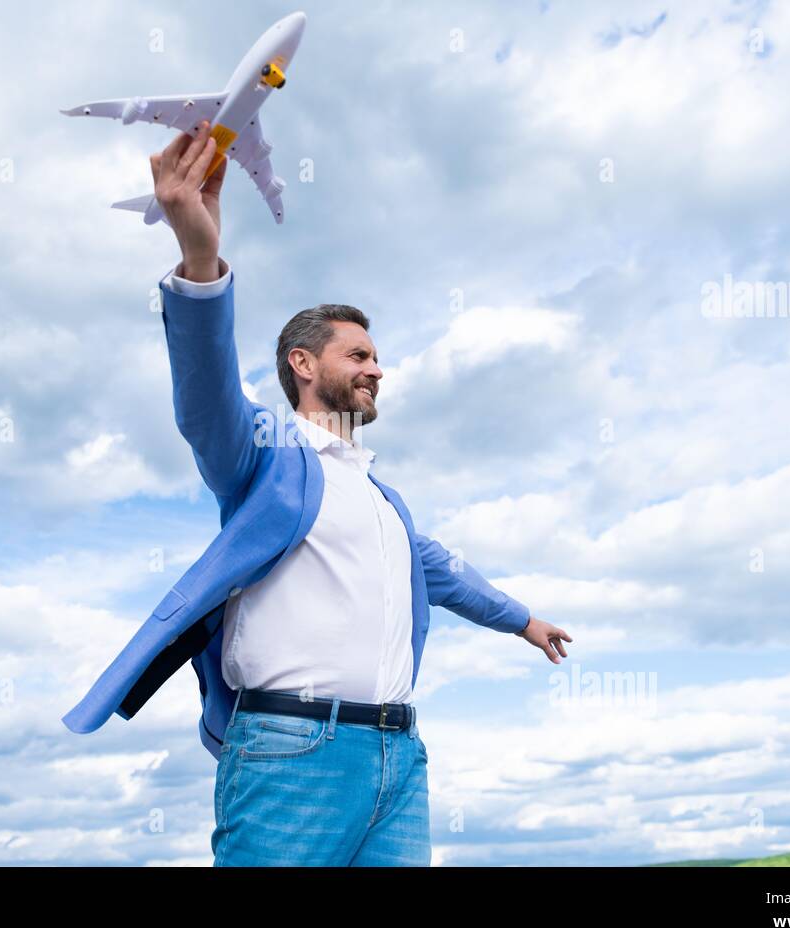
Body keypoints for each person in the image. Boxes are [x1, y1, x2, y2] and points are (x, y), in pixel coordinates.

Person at [61, 120, 574, 866]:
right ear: (304, 363)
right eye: (359, 354)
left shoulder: (383, 504)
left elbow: (451, 577)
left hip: (399, 760)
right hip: (292, 754)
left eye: (377, 356)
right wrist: (200, 260)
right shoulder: (266, 458)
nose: (376, 368)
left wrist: (525, 621)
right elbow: (205, 402)